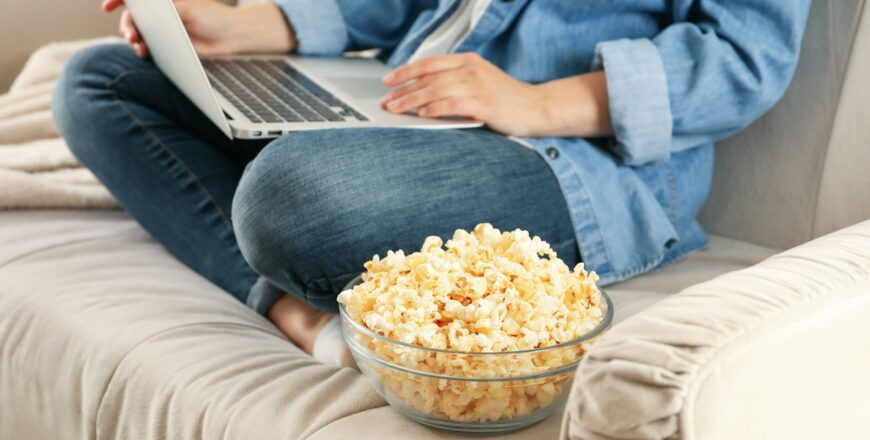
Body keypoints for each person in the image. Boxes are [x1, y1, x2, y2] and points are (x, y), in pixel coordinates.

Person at [53, 0, 811, 366]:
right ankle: (293, 307)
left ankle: (292, 255)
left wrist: (532, 101)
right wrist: (252, 25)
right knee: (99, 79)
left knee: (287, 200)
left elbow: (748, 58)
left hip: (569, 153)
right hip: (405, 95)